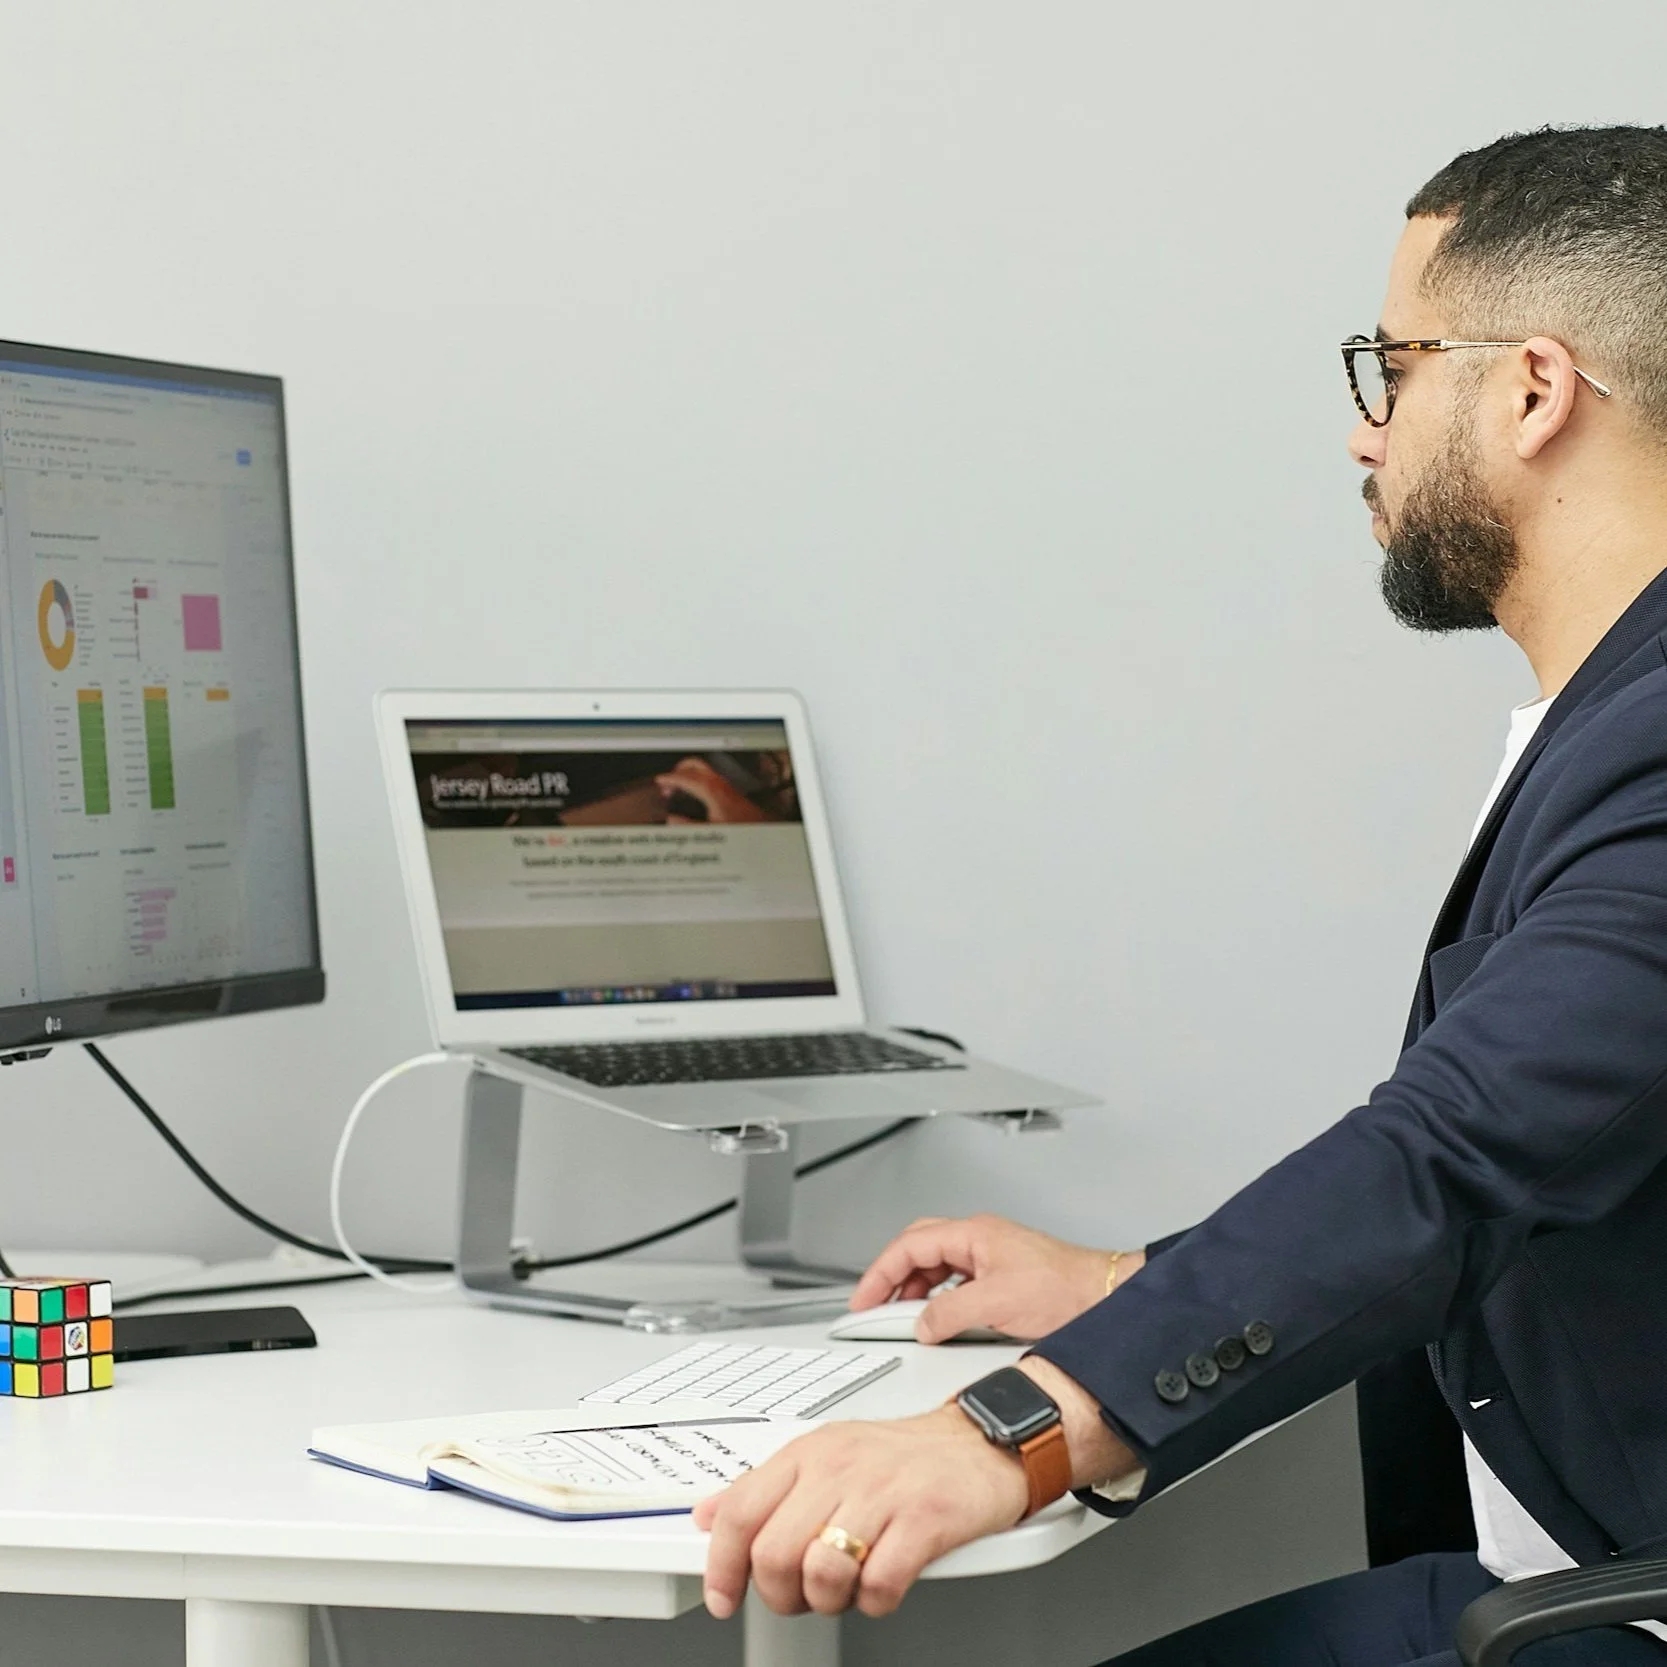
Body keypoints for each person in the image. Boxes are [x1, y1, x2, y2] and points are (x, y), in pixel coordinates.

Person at [693, 125, 1667, 1665]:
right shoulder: (1602, 718)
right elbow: (1581, 1159)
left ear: (1533, 390)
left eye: (1391, 368)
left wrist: (1006, 1426)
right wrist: (1124, 1284)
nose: (1363, 434)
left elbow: (1467, 1148)